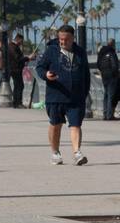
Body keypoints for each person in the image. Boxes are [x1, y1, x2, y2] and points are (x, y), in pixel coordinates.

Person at [35, 25, 91, 165]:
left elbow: (86, 74)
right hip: (56, 96)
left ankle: (77, 153)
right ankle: (55, 152)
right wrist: (46, 75)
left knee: (76, 125)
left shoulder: (80, 52)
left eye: (66, 39)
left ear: (73, 38)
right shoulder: (51, 51)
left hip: (76, 97)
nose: (63, 42)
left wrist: (84, 94)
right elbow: (40, 67)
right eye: (61, 39)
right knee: (56, 124)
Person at [97, 38, 120, 120]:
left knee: (106, 95)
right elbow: (115, 65)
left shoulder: (102, 52)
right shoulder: (111, 52)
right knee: (111, 95)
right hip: (111, 76)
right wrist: (116, 74)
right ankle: (109, 115)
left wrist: (103, 72)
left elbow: (98, 64)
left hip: (104, 75)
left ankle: (105, 114)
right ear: (113, 44)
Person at [7, 34, 27, 108]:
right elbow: (17, 58)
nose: (21, 43)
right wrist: (27, 58)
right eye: (21, 41)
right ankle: (17, 103)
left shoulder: (12, 46)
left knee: (17, 85)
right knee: (19, 85)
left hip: (15, 69)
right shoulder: (12, 46)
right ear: (18, 39)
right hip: (15, 69)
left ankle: (16, 102)